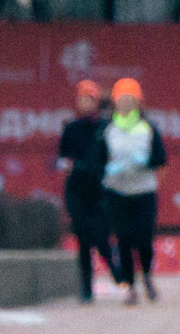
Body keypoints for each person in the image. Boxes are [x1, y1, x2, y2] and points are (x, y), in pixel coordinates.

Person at [102, 78, 167, 305]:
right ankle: (129, 285)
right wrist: (107, 168)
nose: (126, 104)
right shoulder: (108, 129)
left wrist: (146, 162)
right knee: (123, 239)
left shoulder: (148, 128)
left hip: (143, 190)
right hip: (117, 191)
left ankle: (147, 275)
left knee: (144, 238)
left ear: (139, 102)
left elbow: (160, 158)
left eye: (131, 99)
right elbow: (98, 158)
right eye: (122, 99)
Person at [55, 79, 118, 302]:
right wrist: (69, 165)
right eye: (82, 99)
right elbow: (62, 158)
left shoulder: (106, 128)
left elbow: (114, 155)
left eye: (90, 99)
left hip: (100, 190)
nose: (86, 103)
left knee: (101, 237)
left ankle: (116, 269)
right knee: (82, 238)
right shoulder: (71, 129)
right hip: (77, 190)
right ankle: (85, 288)